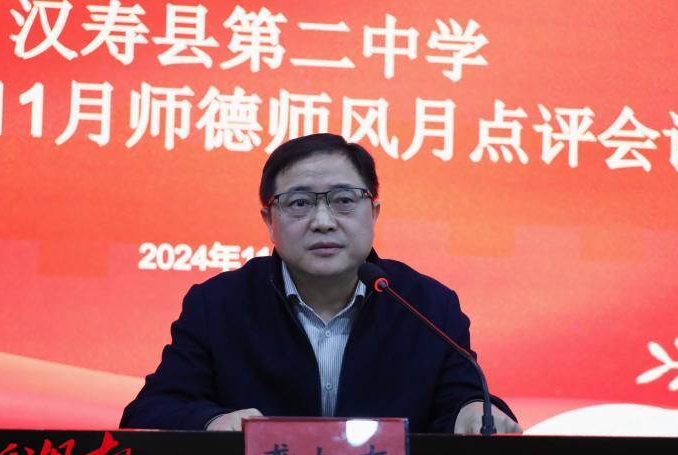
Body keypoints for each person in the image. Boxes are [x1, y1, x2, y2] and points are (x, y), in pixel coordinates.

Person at [121, 133, 522, 434]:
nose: (324, 221)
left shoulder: (426, 304)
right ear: (269, 221)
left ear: (374, 212)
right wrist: (212, 422)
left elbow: (462, 398)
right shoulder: (218, 305)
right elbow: (150, 411)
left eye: (344, 200)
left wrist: (472, 412)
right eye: (299, 203)